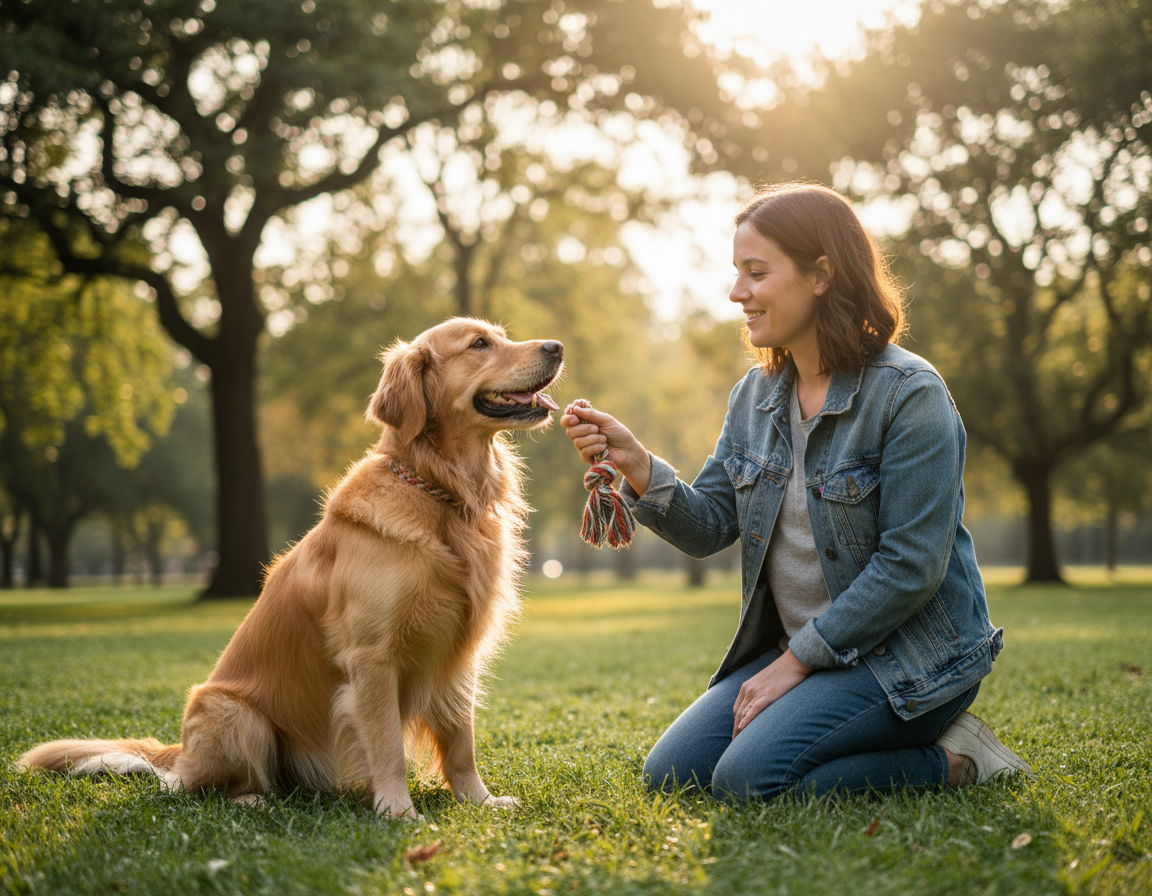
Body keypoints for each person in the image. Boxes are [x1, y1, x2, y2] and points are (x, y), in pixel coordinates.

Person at [561, 182, 1032, 802]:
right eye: (737, 273)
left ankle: (954, 760)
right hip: (802, 653)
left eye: (756, 273)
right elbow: (710, 527)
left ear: (820, 275)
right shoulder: (753, 399)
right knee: (671, 774)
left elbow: (911, 566)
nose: (737, 293)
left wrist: (794, 664)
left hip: (906, 659)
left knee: (750, 778)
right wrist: (639, 464)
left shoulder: (908, 394)